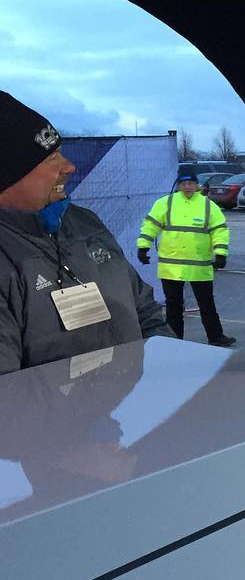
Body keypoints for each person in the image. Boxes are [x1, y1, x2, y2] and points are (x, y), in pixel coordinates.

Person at [0, 91, 172, 374]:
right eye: (50, 158)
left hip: (131, 399)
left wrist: (166, 371)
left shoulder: (84, 222)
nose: (69, 167)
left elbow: (145, 310)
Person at [137, 169, 236, 346]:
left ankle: (216, 337)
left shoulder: (207, 205)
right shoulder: (165, 203)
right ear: (178, 185)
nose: (188, 187)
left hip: (199, 266)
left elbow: (219, 230)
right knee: (173, 306)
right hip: (171, 266)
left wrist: (221, 253)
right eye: (184, 183)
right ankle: (175, 340)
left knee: (206, 304)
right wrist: (143, 247)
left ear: (197, 185)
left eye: (191, 183)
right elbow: (150, 225)